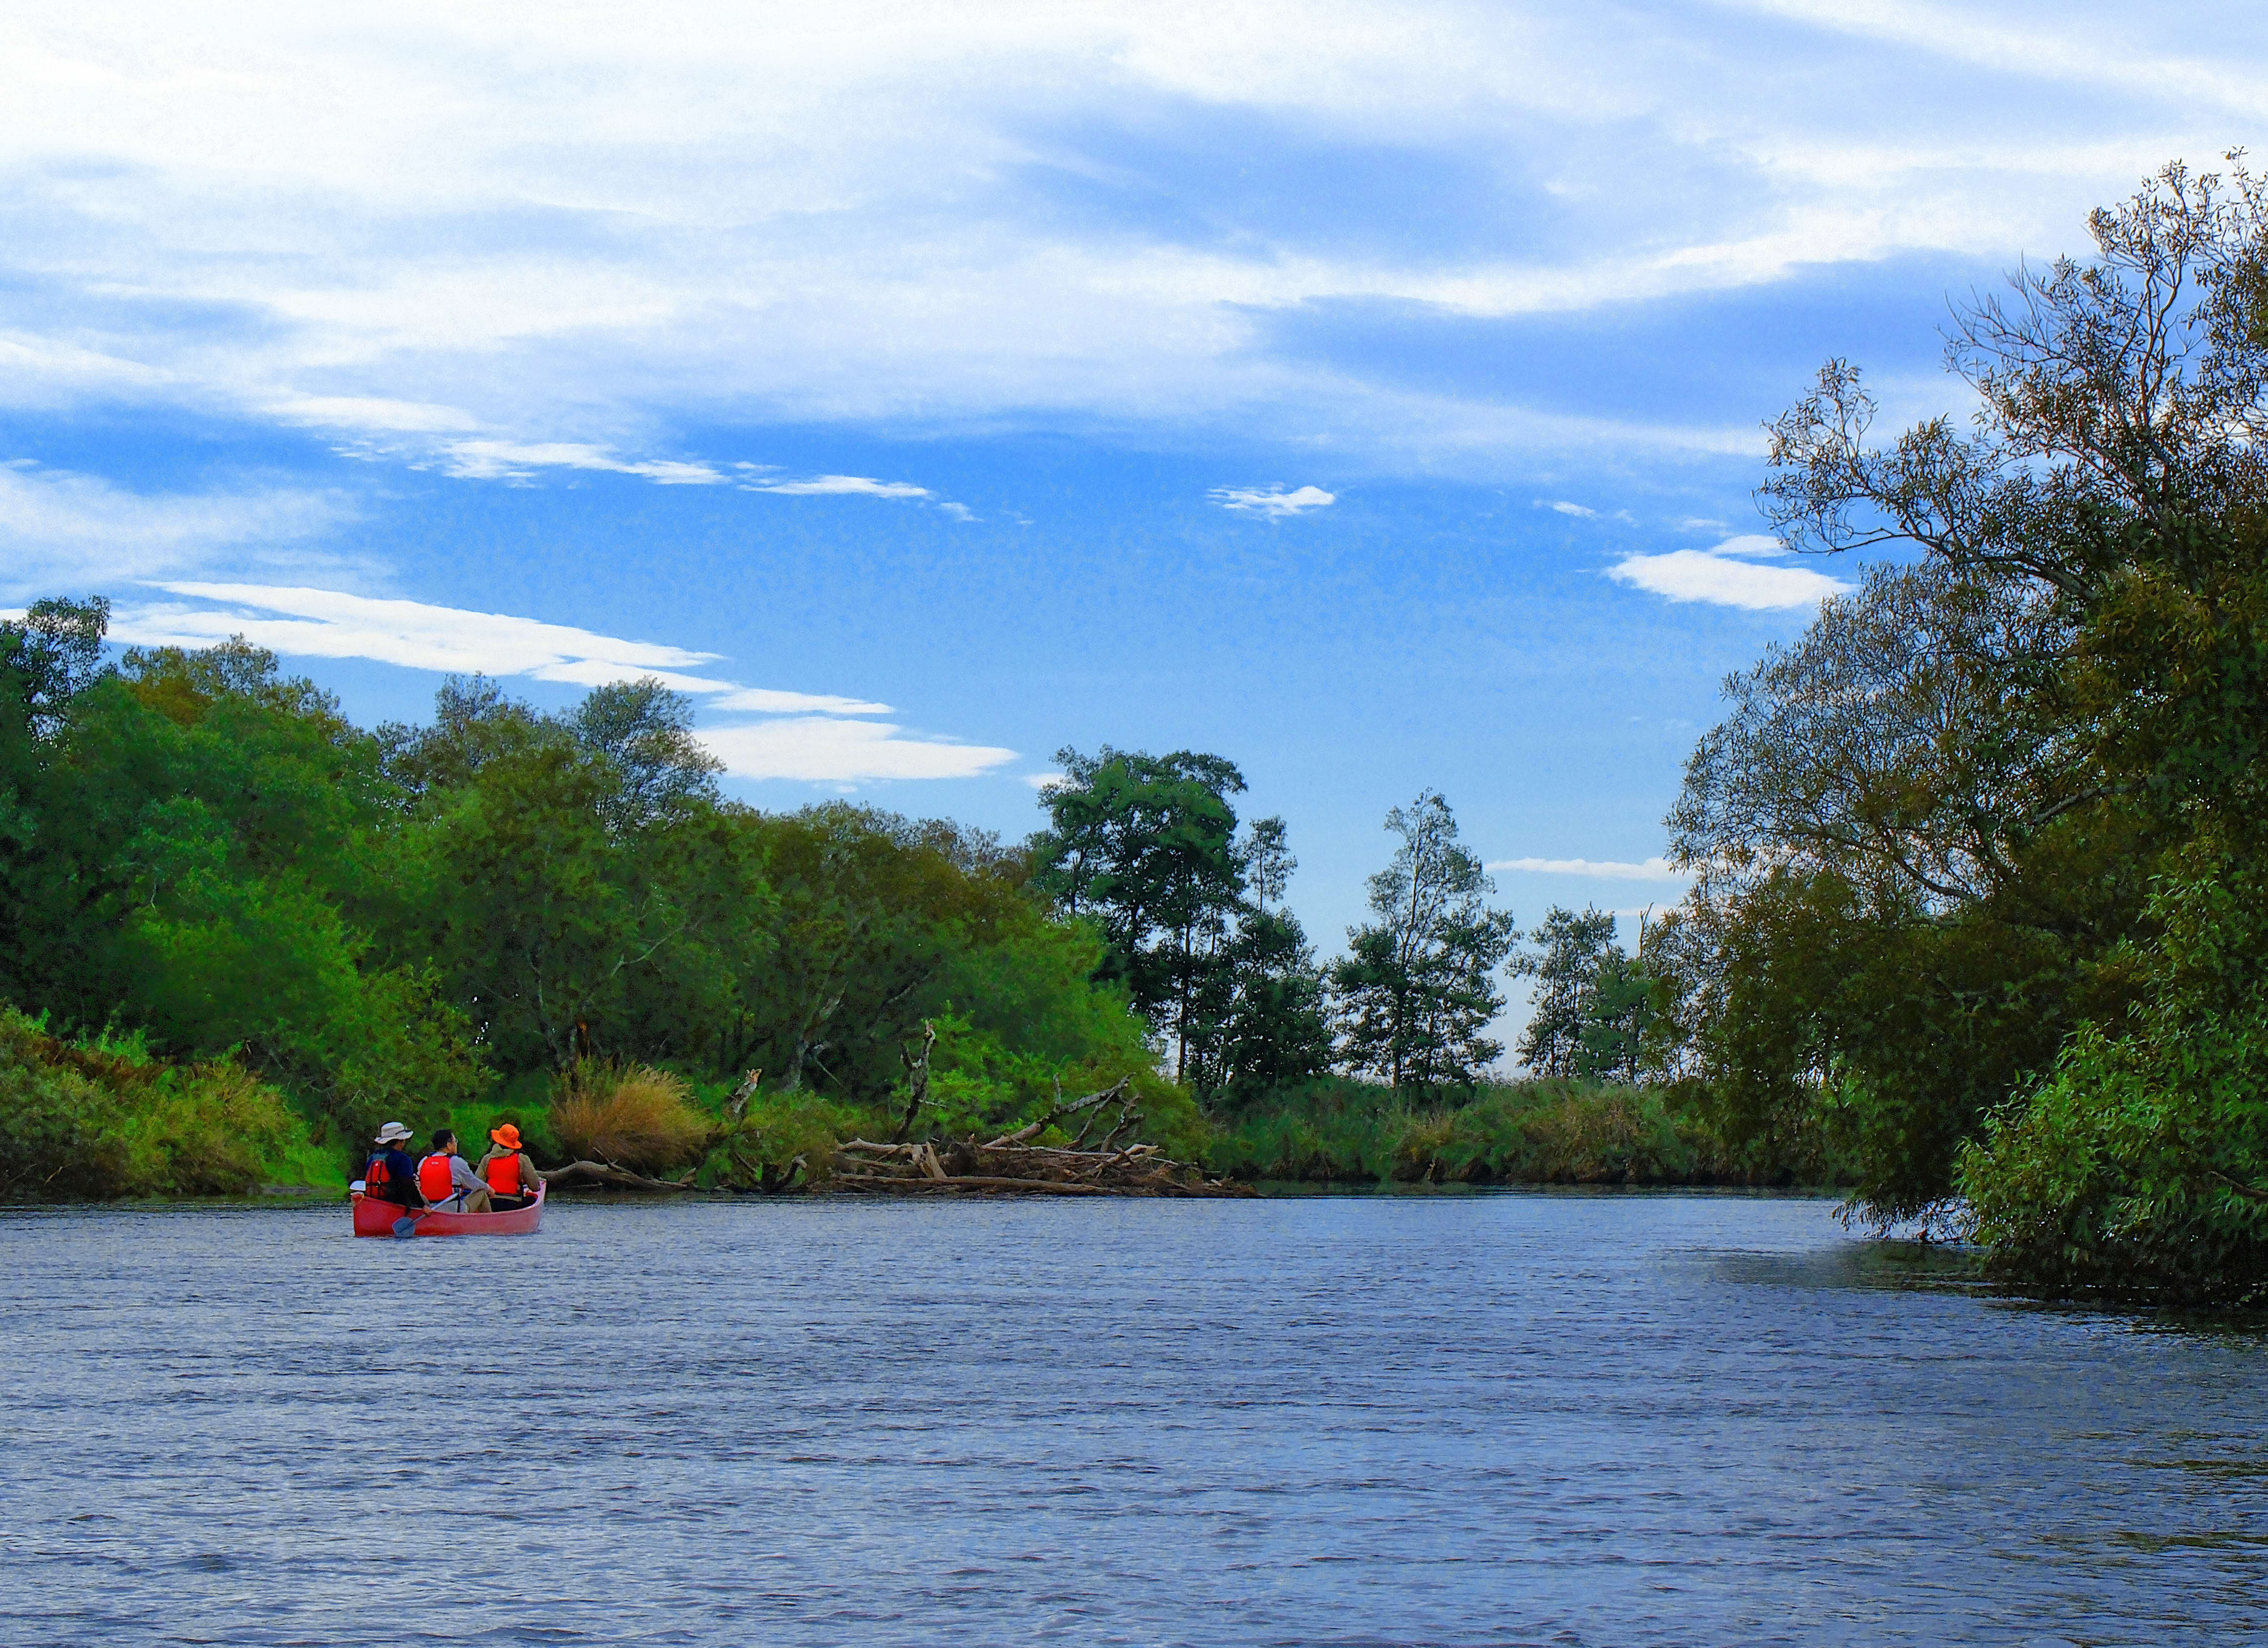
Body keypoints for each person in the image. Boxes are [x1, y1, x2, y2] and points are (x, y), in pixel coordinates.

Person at [415, 1129, 493, 1214]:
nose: (456, 1144)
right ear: (449, 1145)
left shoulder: (424, 1161)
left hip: (428, 1208)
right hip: (452, 1210)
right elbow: (474, 1184)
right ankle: (490, 1222)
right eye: (455, 1141)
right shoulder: (455, 1161)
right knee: (482, 1192)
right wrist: (489, 1189)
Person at [362, 1122, 425, 1210]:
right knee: (425, 1201)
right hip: (397, 1207)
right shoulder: (403, 1159)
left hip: (376, 1206)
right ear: (400, 1141)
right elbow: (408, 1185)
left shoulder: (372, 1158)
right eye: (404, 1140)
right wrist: (423, 1206)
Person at [478, 1123, 543, 1208]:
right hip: (513, 1203)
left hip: (491, 1204)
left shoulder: (487, 1159)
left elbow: (478, 1183)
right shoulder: (522, 1159)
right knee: (532, 1199)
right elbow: (535, 1187)